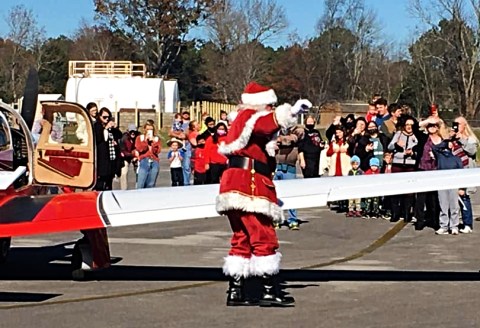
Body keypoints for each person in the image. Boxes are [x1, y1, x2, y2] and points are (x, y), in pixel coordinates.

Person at [216, 81, 311, 307]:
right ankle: (268, 289)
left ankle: (237, 290)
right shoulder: (252, 116)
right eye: (270, 104)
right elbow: (268, 123)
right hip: (250, 182)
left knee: (242, 236)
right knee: (263, 235)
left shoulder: (241, 119)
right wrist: (293, 111)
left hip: (233, 182)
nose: (271, 107)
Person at [388, 116, 418, 222]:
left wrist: (412, 153)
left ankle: (406, 213)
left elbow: (418, 150)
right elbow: (390, 146)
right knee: (396, 189)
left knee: (409, 191)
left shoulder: (416, 136)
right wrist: (397, 145)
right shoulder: (398, 134)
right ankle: (395, 213)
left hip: (410, 165)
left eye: (411, 125)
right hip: (397, 164)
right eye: (407, 125)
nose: (409, 127)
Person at [274, 126, 304, 230]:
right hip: (275, 167)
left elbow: (296, 137)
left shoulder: (295, 130)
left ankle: (293, 219)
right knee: (275, 195)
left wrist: (281, 139)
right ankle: (276, 219)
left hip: (289, 167)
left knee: (291, 194)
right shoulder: (274, 131)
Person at [93, 107, 119, 191]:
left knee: (109, 183)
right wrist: (106, 128)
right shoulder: (97, 126)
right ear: (99, 117)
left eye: (108, 117)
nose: (107, 119)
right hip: (102, 159)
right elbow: (99, 139)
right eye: (104, 117)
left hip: (111, 157)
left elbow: (119, 135)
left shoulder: (111, 128)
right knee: (100, 183)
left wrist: (115, 128)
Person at [136, 121, 161, 189]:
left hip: (154, 160)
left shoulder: (156, 139)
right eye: (147, 129)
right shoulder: (140, 138)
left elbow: (157, 151)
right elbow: (140, 149)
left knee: (151, 183)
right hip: (144, 160)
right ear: (144, 129)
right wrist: (145, 141)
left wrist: (153, 143)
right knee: (141, 183)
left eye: (151, 129)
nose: (149, 131)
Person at [119, 124, 138, 190]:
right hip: (125, 157)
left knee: (138, 170)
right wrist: (132, 155)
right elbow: (123, 151)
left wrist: (135, 156)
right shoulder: (124, 138)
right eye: (131, 131)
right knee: (124, 172)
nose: (133, 133)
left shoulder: (138, 137)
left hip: (134, 156)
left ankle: (139, 187)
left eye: (134, 131)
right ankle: (123, 189)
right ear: (128, 131)